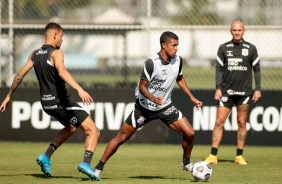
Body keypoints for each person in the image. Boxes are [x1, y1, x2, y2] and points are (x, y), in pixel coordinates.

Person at [93, 31, 203, 178]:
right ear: (164, 45)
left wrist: (192, 97)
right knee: (121, 137)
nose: (176, 48)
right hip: (144, 109)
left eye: (178, 45)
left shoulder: (178, 60)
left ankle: (186, 163)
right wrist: (152, 98)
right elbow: (142, 87)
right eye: (173, 45)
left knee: (190, 134)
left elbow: (180, 79)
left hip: (165, 107)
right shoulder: (151, 63)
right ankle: (98, 168)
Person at [0, 22, 101, 181]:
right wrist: (79, 89)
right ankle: (86, 164)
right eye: (61, 36)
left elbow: (19, 76)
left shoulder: (34, 54)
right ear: (55, 34)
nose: (62, 40)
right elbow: (62, 72)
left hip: (47, 104)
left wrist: (8, 96)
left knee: (71, 126)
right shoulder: (56, 53)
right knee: (93, 131)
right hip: (62, 103)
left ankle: (46, 157)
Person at [204, 20, 261, 165]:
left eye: (239, 30)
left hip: (244, 93)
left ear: (244, 31)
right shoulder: (223, 48)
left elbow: (257, 70)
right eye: (234, 30)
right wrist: (218, 87)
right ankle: (213, 155)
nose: (237, 32)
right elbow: (219, 69)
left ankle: (239, 156)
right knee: (218, 122)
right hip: (226, 93)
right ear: (230, 31)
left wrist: (258, 89)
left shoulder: (251, 49)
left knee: (241, 123)